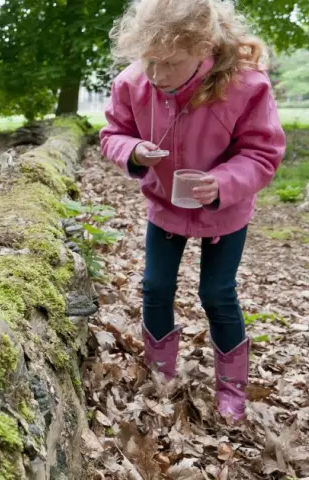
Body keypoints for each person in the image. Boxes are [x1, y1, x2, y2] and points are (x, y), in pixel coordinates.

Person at [100, 0, 285, 424]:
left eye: (171, 63)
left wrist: (222, 183)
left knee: (217, 293)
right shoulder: (133, 84)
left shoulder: (246, 86)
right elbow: (112, 133)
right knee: (155, 286)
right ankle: (161, 372)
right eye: (150, 61)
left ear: (204, 47)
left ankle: (232, 387)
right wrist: (133, 150)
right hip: (166, 205)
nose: (158, 75)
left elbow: (263, 153)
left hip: (224, 210)